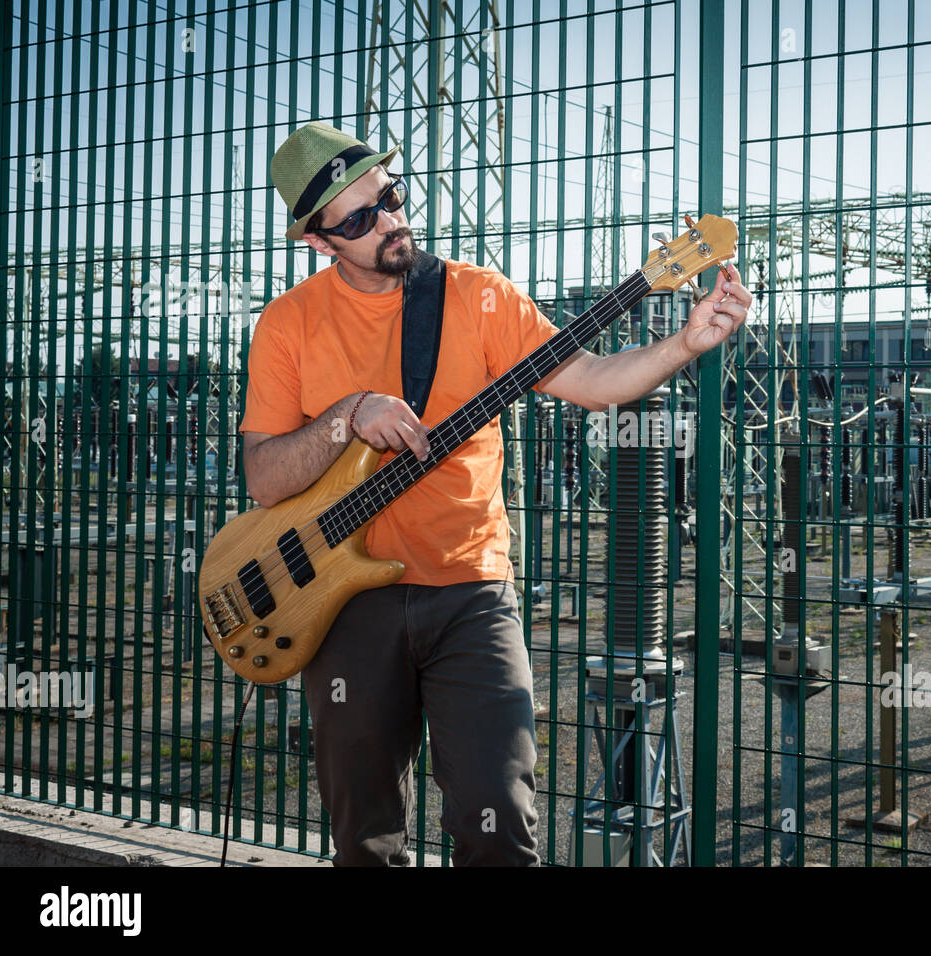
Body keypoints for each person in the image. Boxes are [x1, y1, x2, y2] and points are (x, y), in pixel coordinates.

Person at [239, 121, 750, 866]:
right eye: (357, 219)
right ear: (319, 242)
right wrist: (349, 415)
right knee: (364, 834)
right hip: (344, 603)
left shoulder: (478, 297)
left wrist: (685, 343)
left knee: (500, 821)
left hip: (470, 590)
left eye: (389, 197)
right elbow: (265, 477)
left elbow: (590, 381)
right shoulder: (287, 325)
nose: (388, 222)